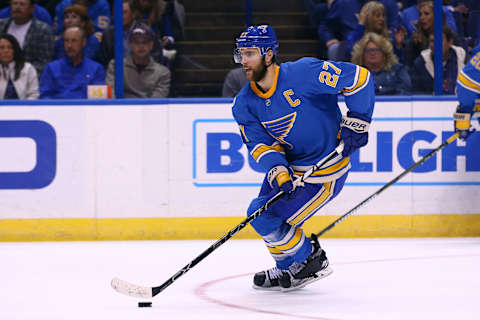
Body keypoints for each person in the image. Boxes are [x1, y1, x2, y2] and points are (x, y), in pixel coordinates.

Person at [231, 25, 375, 291]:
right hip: (290, 169)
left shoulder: (304, 73)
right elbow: (260, 146)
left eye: (250, 53)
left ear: (270, 54)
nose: (244, 61)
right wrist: (279, 170)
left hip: (324, 173)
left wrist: (358, 119)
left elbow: (360, 79)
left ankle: (310, 259)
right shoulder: (244, 103)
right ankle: (290, 267)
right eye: (241, 54)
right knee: (261, 215)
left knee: (261, 216)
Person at [315, 0, 401, 61]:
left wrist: (397, 44)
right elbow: (326, 27)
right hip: (353, 54)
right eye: (377, 15)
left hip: (384, 62)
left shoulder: (389, 4)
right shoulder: (344, 3)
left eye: (383, 16)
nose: (381, 19)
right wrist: (329, 38)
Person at [106, 23, 170, 98]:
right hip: (121, 108)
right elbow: (110, 95)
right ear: (130, 45)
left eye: (145, 42)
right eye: (136, 42)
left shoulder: (163, 73)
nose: (141, 46)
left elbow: (156, 102)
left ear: (151, 45)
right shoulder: (116, 65)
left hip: (149, 109)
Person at [40, 26, 104, 98]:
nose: (69, 45)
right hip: (57, 108)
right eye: (66, 41)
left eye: (74, 41)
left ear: (84, 42)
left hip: (86, 109)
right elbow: (45, 97)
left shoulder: (96, 69)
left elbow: (98, 100)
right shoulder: (51, 68)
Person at [98, 0, 163, 69]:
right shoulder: (108, 34)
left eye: (124, 12)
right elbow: (104, 62)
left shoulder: (146, 32)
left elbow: (156, 57)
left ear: (133, 14)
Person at [0, 0, 54, 76]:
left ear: (31, 8)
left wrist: (22, 74)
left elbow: (44, 62)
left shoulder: (43, 30)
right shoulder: (1, 25)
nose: (17, 7)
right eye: (15, 3)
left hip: (29, 77)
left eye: (22, 4)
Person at [410, 26, 465, 94]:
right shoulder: (421, 63)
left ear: (450, 42)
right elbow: (417, 94)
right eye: (432, 41)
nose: (435, 44)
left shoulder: (463, 59)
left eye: (439, 40)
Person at [0, 33, 38, 99]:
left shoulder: (28, 68)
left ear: (15, 50)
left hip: (25, 108)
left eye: (10, 47)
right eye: (2, 48)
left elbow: (33, 95)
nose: (6, 51)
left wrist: (25, 108)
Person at [455, 41, 480, 141]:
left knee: (462, 128)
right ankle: (461, 126)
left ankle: (461, 126)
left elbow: (475, 51)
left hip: (465, 82)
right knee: (462, 129)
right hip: (468, 86)